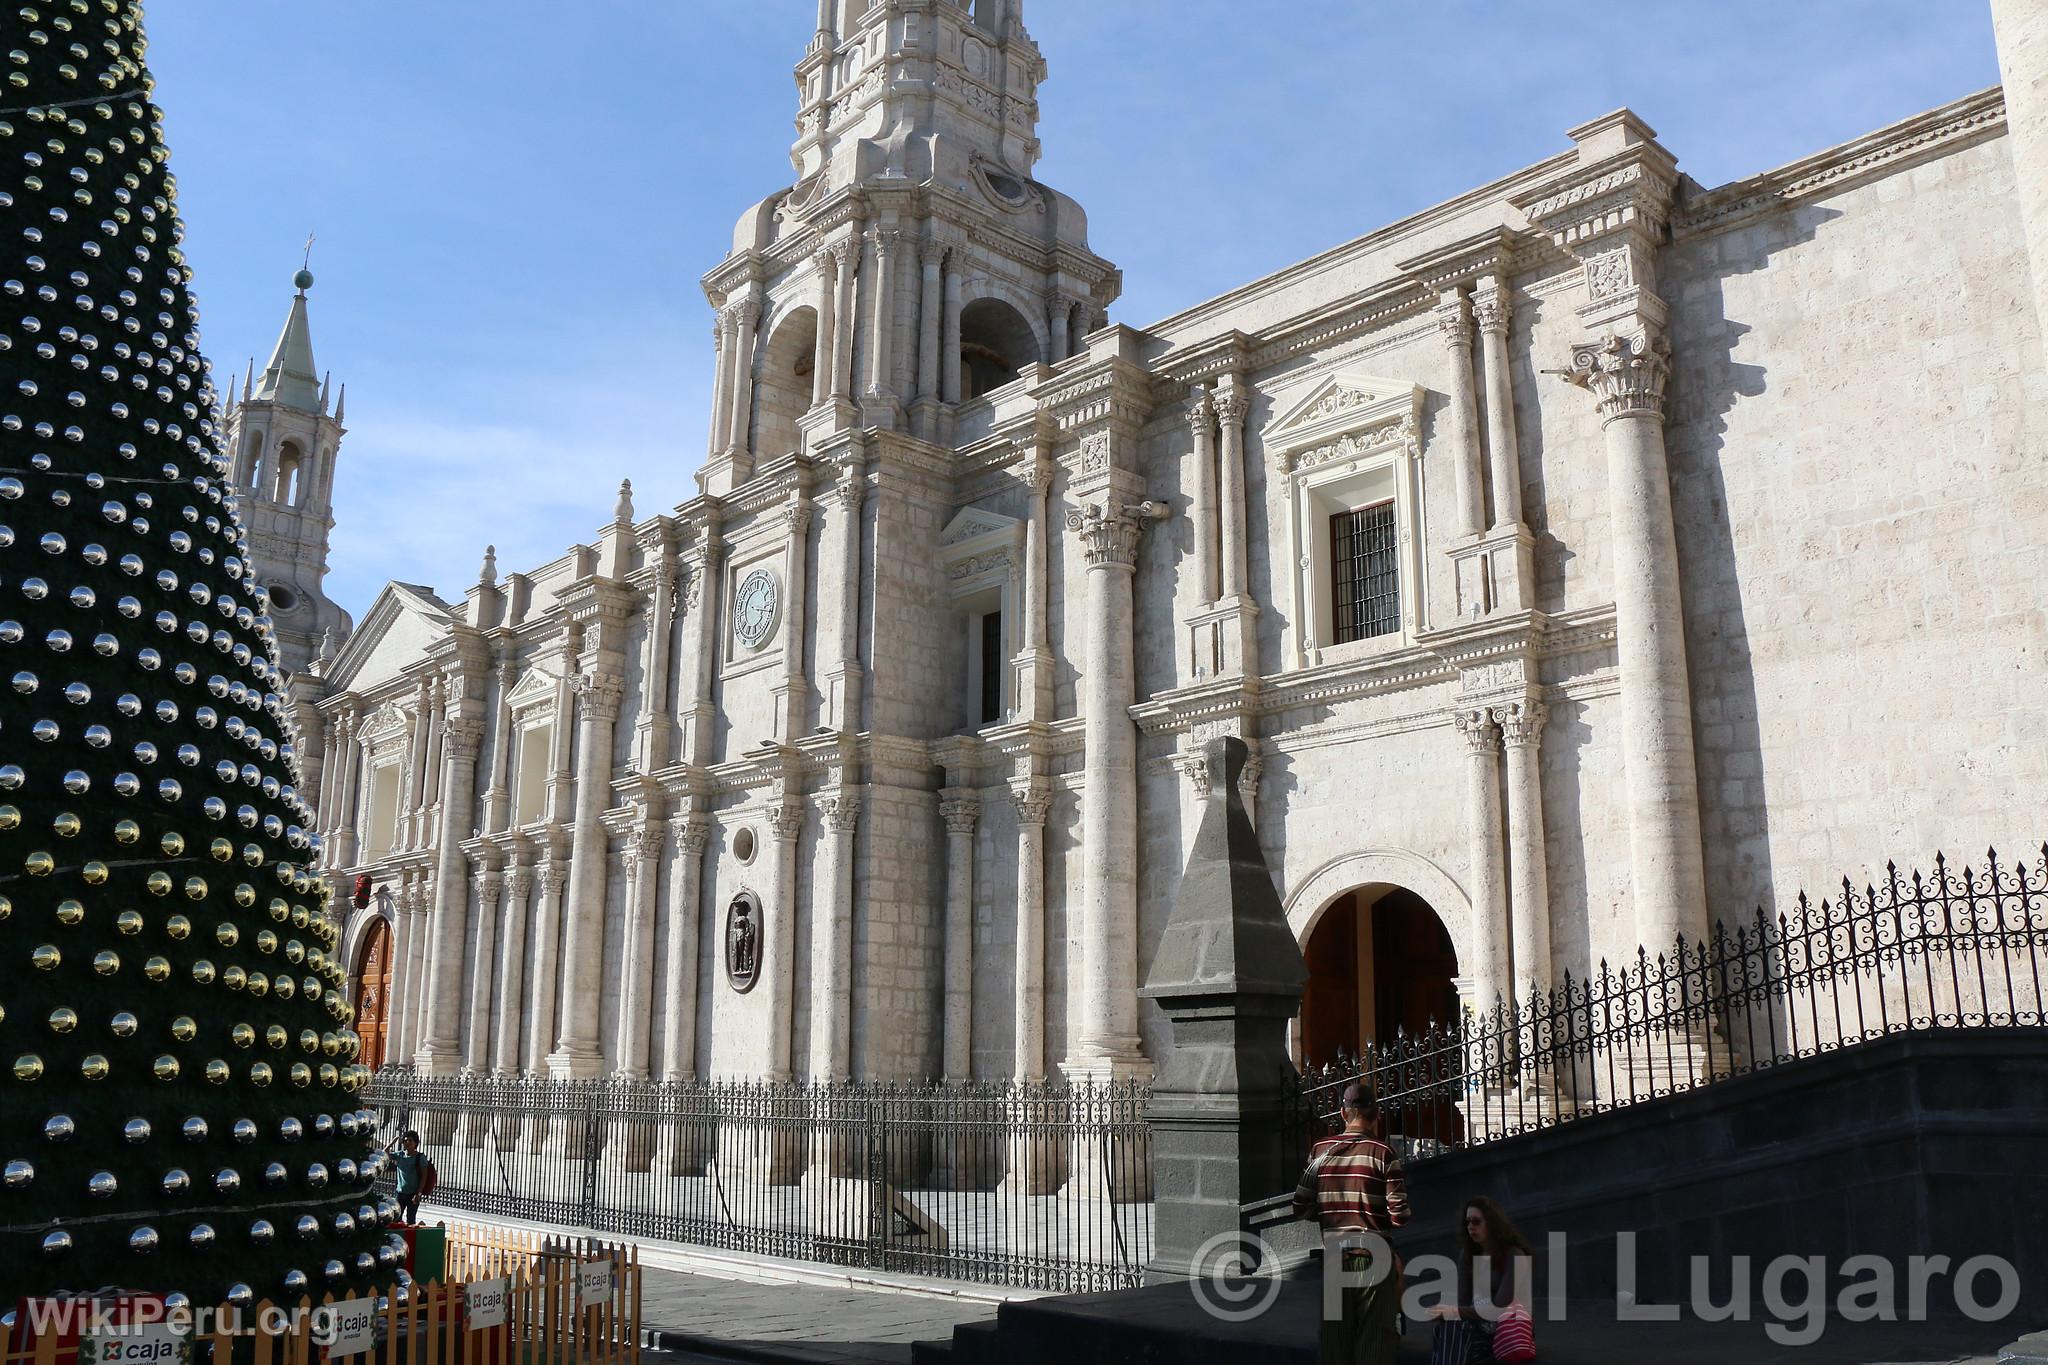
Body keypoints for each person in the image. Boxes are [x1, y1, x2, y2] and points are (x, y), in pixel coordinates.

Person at [1292, 1082, 1411, 1365]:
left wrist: (1331, 1212)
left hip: (1335, 1260)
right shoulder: (1383, 1153)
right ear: (1376, 1114)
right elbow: (1400, 1215)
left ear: (1343, 1114)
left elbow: (1300, 1207)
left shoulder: (1320, 1151)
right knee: (1375, 1344)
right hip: (1374, 1259)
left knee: (1335, 1345)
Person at [1426, 1196, 1536, 1364]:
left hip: (1507, 1332)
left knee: (1452, 1329)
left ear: (1491, 1224)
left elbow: (1499, 1308)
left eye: (1476, 1221)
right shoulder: (1468, 1255)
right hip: (1479, 1328)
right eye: (1467, 1222)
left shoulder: (1514, 1255)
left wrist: (1454, 1311)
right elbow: (1463, 1301)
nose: (1470, 1227)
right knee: (1446, 1328)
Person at [386, 1129, 435, 1224]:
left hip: (413, 1194)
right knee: (396, 1219)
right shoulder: (400, 1155)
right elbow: (383, 1153)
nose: (407, 1142)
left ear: (416, 1143)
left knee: (411, 1220)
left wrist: (419, 1193)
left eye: (410, 1140)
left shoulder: (420, 1157)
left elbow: (424, 1176)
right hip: (400, 1193)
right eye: (405, 1140)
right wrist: (391, 1143)